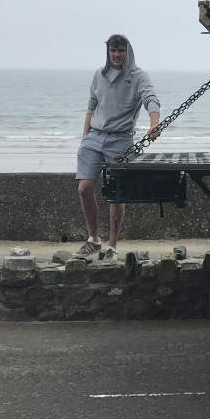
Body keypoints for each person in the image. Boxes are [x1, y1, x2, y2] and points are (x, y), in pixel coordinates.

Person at [76, 34, 160, 260]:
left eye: (120, 50)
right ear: (108, 52)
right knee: (84, 188)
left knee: (116, 195)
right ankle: (93, 239)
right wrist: (85, 138)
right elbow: (91, 106)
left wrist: (154, 123)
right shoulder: (99, 75)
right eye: (113, 50)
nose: (116, 55)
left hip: (121, 139)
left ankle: (112, 246)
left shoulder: (138, 76)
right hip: (94, 137)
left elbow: (151, 99)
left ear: (127, 51)